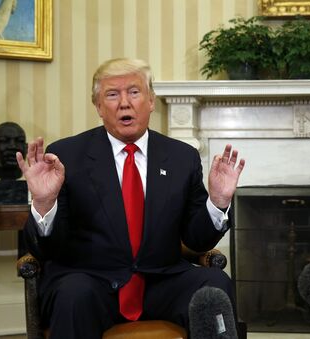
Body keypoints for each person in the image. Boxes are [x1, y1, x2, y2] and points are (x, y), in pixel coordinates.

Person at [16, 58, 245, 339]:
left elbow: (197, 239)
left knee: (214, 284)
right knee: (72, 294)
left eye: (134, 92)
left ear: (150, 100)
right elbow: (47, 249)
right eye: (112, 94)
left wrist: (218, 201)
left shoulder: (181, 157)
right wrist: (43, 204)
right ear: (99, 107)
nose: (124, 103)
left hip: (160, 281)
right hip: (91, 281)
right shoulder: (67, 155)